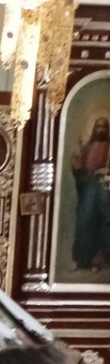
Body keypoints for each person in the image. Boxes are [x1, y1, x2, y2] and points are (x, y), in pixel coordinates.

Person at [70, 116, 110, 274]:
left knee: (100, 222)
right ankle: (81, 260)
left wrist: (107, 171)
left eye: (104, 127)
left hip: (104, 189)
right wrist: (76, 163)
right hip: (88, 188)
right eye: (98, 127)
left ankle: (96, 261)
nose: (101, 130)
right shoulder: (87, 147)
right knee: (84, 221)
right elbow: (80, 171)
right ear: (94, 129)